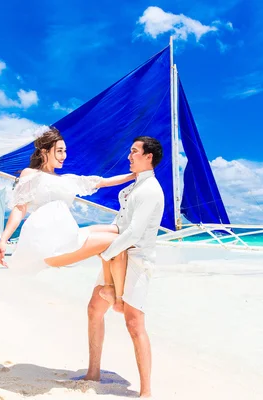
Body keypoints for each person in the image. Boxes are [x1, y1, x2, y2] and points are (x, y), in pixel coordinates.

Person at [84, 136, 165, 398]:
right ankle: (93, 372)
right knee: (94, 308)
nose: (129, 156)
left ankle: (146, 392)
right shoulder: (136, 185)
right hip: (119, 254)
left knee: (134, 323)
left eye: (134, 152)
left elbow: (134, 232)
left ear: (148, 156)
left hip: (137, 259)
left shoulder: (151, 189)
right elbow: (122, 223)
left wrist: (105, 252)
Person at [0, 127, 134, 275]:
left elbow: (104, 182)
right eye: (59, 151)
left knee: (116, 230)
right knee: (117, 239)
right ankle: (111, 289)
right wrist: (3, 240)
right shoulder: (31, 174)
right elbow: (19, 209)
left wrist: (135, 175)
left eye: (65, 151)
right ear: (44, 152)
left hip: (65, 234)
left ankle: (109, 287)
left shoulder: (68, 180)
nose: (64, 155)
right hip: (46, 238)